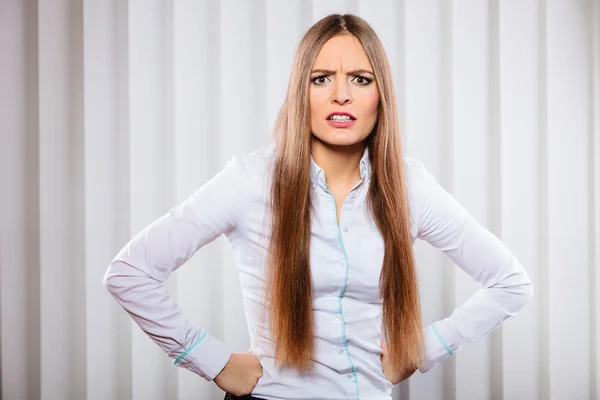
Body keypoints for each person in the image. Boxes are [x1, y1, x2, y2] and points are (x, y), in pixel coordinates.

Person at [103, 13, 533, 400]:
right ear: (300, 92)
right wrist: (211, 359)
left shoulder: (410, 186)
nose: (341, 95)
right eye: (321, 78)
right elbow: (130, 273)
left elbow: (509, 283)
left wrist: (425, 349)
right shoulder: (251, 180)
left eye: (361, 79)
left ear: (380, 95)